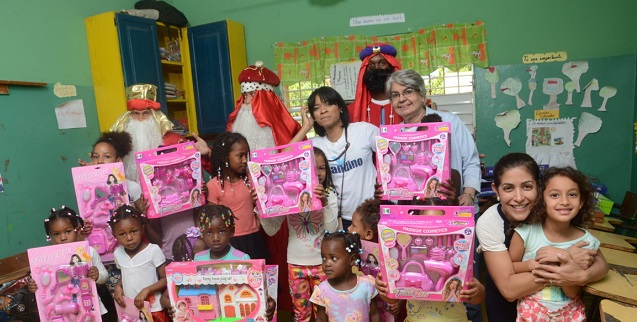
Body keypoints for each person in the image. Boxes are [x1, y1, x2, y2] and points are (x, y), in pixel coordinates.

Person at [475, 153, 608, 322]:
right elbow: (509, 289)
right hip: (507, 302)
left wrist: (583, 276)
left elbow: (600, 262)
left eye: (527, 187)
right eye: (508, 188)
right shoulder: (489, 222)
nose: (519, 198)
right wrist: (563, 264)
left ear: (539, 187)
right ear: (496, 190)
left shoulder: (554, 212)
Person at [374, 197, 485, 322]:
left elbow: (477, 299)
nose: (432, 227)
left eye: (439, 222)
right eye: (427, 221)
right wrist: (384, 288)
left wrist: (477, 291)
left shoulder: (456, 256)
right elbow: (392, 298)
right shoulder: (409, 261)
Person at [509, 167, 599, 321]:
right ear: (542, 201)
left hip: (568, 314)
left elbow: (572, 292)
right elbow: (510, 267)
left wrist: (564, 260)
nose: (564, 201)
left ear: (581, 201)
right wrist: (532, 264)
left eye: (572, 195)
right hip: (531, 312)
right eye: (555, 195)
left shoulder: (586, 242)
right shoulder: (526, 233)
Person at [260, 146, 339, 322]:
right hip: (295, 264)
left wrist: (324, 202)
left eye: (322, 168)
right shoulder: (290, 196)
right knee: (301, 314)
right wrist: (260, 208)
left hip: (322, 263)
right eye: (311, 167)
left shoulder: (330, 194)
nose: (317, 173)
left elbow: (332, 229)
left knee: (325, 313)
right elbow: (271, 229)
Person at [386, 70, 480, 207]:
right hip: (414, 212)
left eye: (408, 91)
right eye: (395, 95)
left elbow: (471, 161)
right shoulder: (394, 135)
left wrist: (468, 194)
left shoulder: (449, 122)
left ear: (422, 95)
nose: (401, 99)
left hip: (455, 207)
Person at [293, 86, 379, 230]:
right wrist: (306, 127)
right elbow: (284, 158)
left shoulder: (364, 130)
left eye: (328, 104)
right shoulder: (315, 144)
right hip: (338, 219)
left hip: (371, 215)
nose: (323, 110)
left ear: (340, 107)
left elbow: (391, 154)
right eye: (316, 108)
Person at [109, 83, 211, 182]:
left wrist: (208, 154)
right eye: (136, 114)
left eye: (146, 113)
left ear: (155, 116)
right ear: (128, 117)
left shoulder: (175, 141)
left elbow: (202, 169)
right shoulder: (116, 146)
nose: (140, 119)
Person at [191, 205, 276, 321]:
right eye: (209, 232)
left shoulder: (242, 259)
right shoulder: (198, 259)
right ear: (202, 233)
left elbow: (255, 289)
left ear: (232, 231)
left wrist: (268, 301)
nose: (216, 238)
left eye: (221, 231)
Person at [27, 206, 109, 317]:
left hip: (90, 308)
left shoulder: (88, 252)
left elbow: (104, 277)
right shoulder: (45, 258)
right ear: (50, 236)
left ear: (77, 229)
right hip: (62, 311)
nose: (63, 237)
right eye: (56, 234)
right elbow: (42, 284)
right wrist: (34, 286)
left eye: (67, 231)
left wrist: (97, 275)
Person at [206, 132, 270, 260]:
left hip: (254, 238)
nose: (245, 160)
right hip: (230, 243)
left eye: (246, 155)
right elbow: (212, 219)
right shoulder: (213, 185)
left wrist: (258, 218)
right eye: (240, 156)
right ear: (225, 157)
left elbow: (262, 204)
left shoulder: (252, 180)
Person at [110, 205, 169, 322]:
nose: (129, 237)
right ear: (114, 235)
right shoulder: (118, 253)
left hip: (154, 309)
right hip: (131, 310)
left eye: (133, 231)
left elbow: (165, 278)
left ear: (142, 229)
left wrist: (146, 290)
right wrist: (118, 286)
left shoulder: (153, 250)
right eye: (122, 234)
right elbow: (126, 273)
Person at [226, 61, 301, 152]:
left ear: (265, 98)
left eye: (252, 94)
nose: (247, 100)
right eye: (244, 95)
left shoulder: (281, 129)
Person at [347, 198, 400, 322]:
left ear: (369, 234)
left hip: (386, 311)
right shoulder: (352, 251)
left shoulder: (394, 255)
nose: (349, 229)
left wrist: (398, 303)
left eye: (353, 225)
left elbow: (400, 283)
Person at [310, 231, 380, 322]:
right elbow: (321, 319)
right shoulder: (322, 291)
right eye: (324, 258)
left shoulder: (367, 285)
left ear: (352, 260)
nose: (327, 263)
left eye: (333, 258)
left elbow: (374, 315)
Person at [348, 43, 402, 126]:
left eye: (382, 63)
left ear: (392, 67)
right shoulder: (351, 110)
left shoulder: (407, 105)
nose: (376, 68)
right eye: (371, 65)